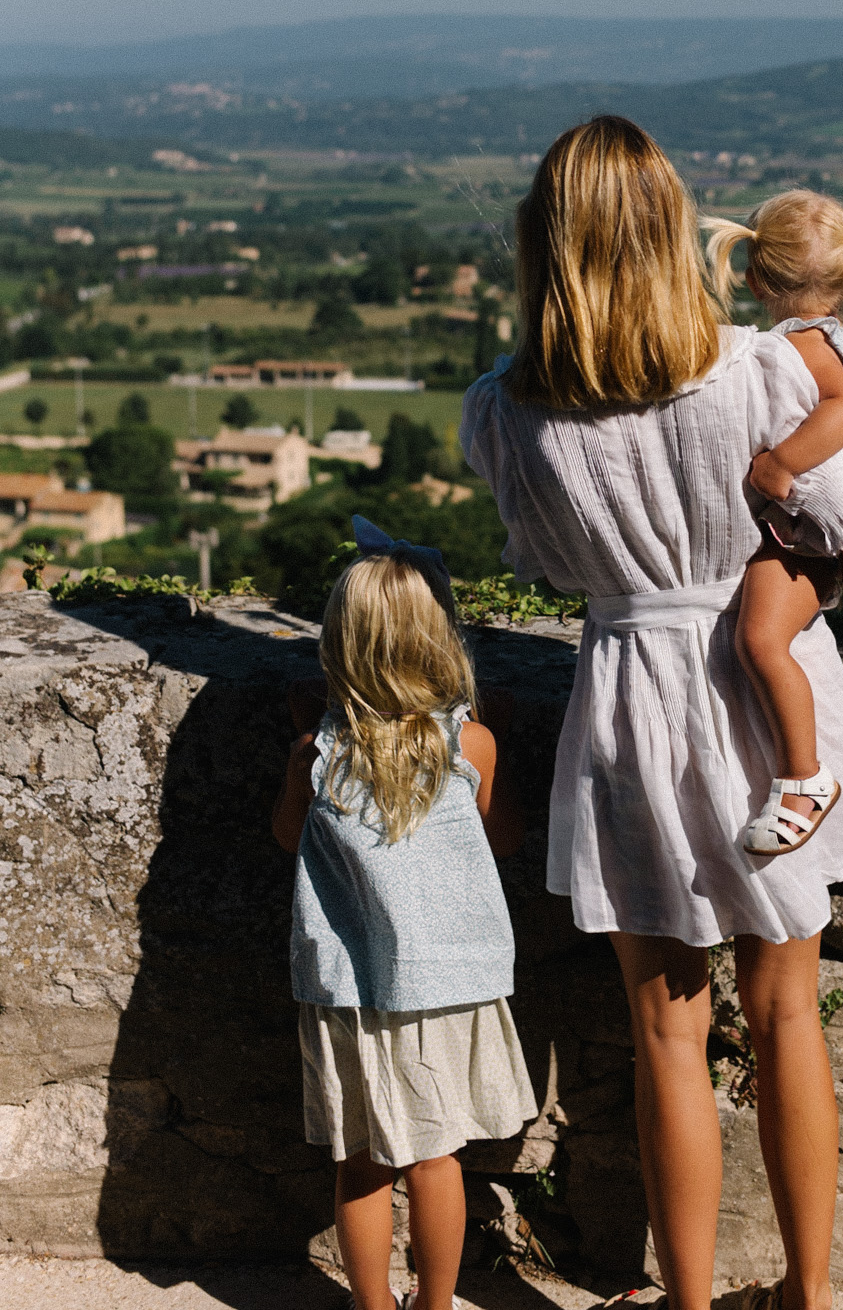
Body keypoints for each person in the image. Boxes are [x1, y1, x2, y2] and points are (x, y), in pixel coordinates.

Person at [460, 116, 843, 1310]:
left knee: (668, 1037)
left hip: (629, 701)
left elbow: (545, 563)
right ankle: (810, 1297)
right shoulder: (762, 371)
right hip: (761, 695)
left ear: (542, 248)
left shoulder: (509, 410)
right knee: (786, 1014)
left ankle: (690, 1302)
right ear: (676, 235)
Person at [272, 525, 537, 1310]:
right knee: (437, 1159)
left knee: (361, 1161)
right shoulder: (470, 746)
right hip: (447, 983)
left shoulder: (316, 755)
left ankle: (372, 1304)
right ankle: (435, 1303)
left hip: (350, 989)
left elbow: (288, 835)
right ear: (440, 642)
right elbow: (509, 835)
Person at [702, 192, 843, 854]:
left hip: (810, 527)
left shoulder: (804, 344)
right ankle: (797, 773)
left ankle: (803, 779)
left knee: (759, 641)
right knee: (757, 640)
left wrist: (780, 465)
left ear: (754, 276)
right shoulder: (825, 337)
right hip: (817, 519)